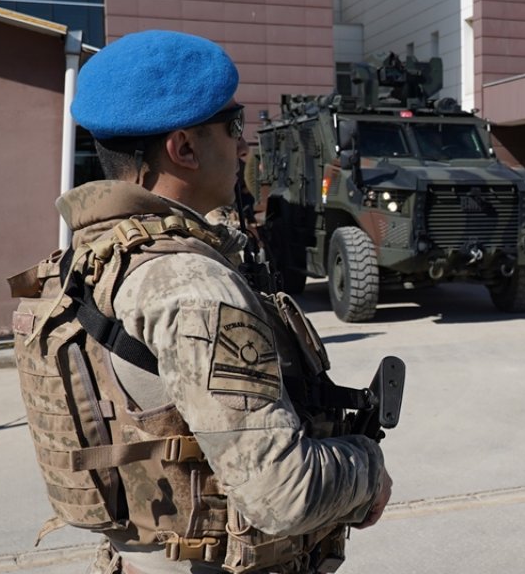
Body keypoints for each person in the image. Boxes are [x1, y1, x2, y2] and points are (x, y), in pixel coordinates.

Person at [46, 30, 391, 573]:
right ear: (183, 148)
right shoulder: (190, 286)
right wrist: (369, 468)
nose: (244, 146)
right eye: (233, 128)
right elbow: (283, 493)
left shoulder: (91, 255)